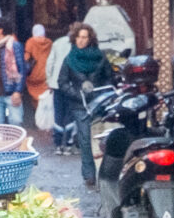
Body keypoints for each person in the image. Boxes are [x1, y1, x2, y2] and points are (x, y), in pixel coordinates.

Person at [53, 23, 111, 155]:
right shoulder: (69, 59)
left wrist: (101, 94)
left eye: (84, 37)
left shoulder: (100, 57)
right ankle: (87, 164)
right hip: (79, 104)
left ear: (90, 39)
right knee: (84, 139)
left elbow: (109, 78)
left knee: (98, 139)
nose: (80, 40)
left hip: (98, 103)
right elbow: (62, 82)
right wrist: (76, 94)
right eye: (78, 37)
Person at [23, 22, 52, 131]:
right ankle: (45, 121)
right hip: (45, 74)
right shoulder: (49, 43)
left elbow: (26, 58)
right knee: (45, 98)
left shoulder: (30, 42)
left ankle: (37, 120)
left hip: (34, 75)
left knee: (35, 99)